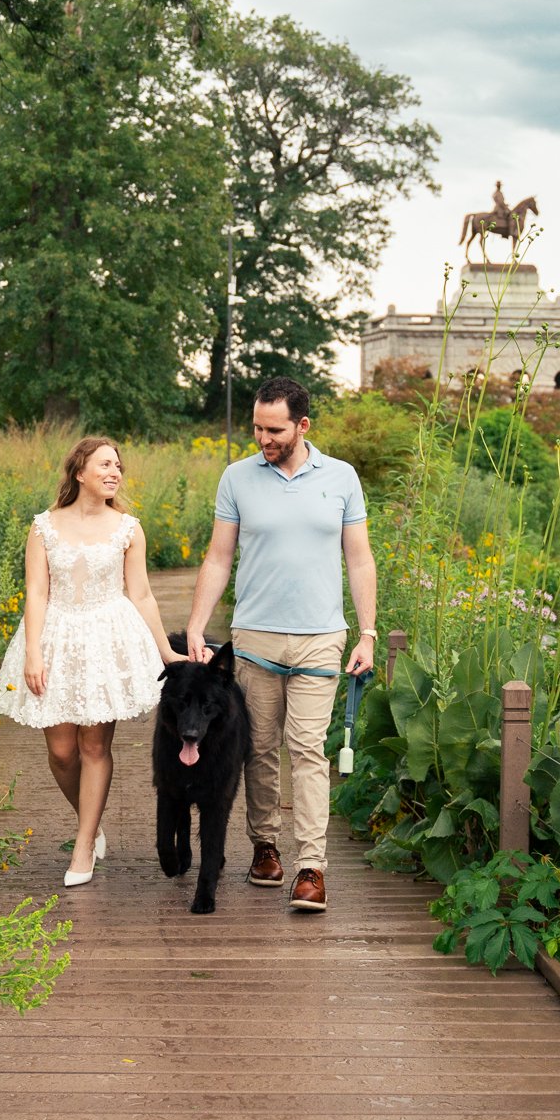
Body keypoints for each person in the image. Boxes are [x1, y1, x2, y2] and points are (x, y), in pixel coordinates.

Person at [185, 376, 376, 913]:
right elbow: (219, 556)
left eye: (274, 429)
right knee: (259, 750)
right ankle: (265, 846)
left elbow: (359, 558)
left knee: (308, 751)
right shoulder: (237, 478)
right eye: (256, 428)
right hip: (255, 638)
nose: (263, 438)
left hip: (321, 638)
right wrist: (197, 625)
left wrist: (367, 632)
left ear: (303, 425)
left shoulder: (341, 477)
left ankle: (311, 867)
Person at [0, 437, 184, 886]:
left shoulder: (128, 528)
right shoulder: (43, 527)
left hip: (106, 638)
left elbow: (140, 594)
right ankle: (90, 820)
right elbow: (37, 592)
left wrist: (165, 652)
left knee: (94, 747)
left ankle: (82, 847)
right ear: (79, 472)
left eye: (118, 465)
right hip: (55, 636)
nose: (114, 471)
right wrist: (34, 651)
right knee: (61, 752)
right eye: (104, 464)